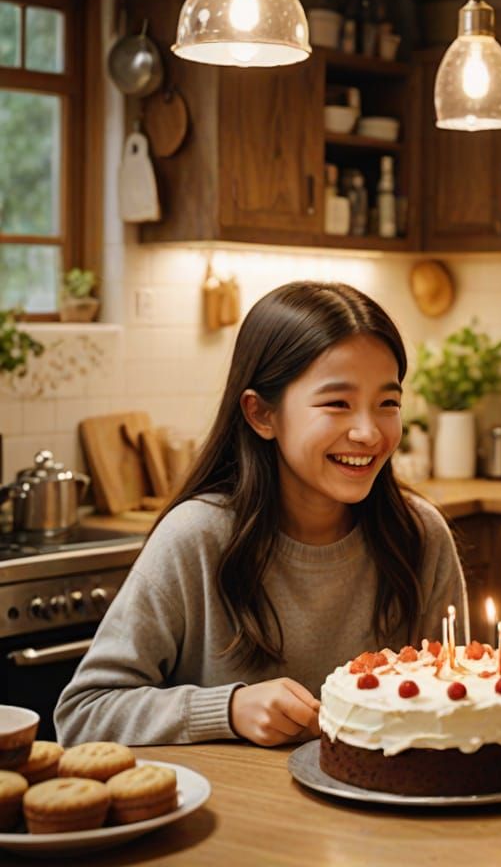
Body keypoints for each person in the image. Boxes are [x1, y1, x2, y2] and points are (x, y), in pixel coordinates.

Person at [56, 281, 467, 747]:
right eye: (338, 403)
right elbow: (83, 714)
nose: (368, 432)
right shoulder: (196, 537)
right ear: (261, 414)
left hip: (385, 816)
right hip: (235, 816)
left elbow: (458, 705)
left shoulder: (420, 535)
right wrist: (227, 710)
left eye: (387, 403)